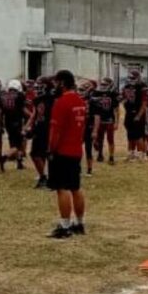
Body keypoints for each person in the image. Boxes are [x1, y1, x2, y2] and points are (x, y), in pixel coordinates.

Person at [47, 69, 88, 239]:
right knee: (75, 187)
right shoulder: (80, 101)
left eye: (56, 82)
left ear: (62, 83)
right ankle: (79, 223)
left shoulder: (61, 102)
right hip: (76, 149)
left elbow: (56, 130)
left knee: (61, 188)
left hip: (62, 150)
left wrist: (51, 149)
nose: (54, 86)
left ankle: (64, 226)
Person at [0, 80, 31, 180]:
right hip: (17, 122)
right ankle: (5, 156)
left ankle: (19, 163)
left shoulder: (3, 95)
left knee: (13, 143)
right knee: (18, 145)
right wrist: (32, 116)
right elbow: (23, 109)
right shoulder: (19, 96)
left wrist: (0, 125)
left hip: (7, 122)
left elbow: (0, 112)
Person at [27, 76, 55, 179]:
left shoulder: (53, 99)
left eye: (40, 85)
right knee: (35, 154)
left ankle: (48, 176)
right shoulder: (37, 99)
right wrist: (27, 127)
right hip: (39, 128)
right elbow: (34, 115)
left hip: (50, 128)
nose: (37, 87)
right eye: (37, 85)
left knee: (48, 153)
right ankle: (43, 175)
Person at [120, 70, 148, 162]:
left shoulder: (142, 87)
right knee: (130, 135)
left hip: (138, 113)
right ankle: (131, 153)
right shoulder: (126, 87)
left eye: (133, 78)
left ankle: (142, 155)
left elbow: (144, 103)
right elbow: (124, 99)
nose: (131, 80)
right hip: (129, 113)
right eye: (130, 78)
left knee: (139, 135)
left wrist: (139, 115)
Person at [90, 77, 120, 164]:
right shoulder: (96, 93)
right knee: (99, 139)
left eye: (105, 84)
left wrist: (117, 122)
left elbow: (116, 109)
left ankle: (111, 156)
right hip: (99, 119)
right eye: (102, 84)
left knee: (110, 139)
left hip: (109, 119)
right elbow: (94, 108)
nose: (103, 86)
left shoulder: (113, 94)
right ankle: (100, 153)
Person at [78, 80, 98, 176]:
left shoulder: (93, 101)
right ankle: (78, 168)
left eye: (83, 90)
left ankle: (89, 169)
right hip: (79, 127)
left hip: (89, 126)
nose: (81, 92)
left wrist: (95, 130)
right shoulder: (77, 100)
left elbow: (97, 116)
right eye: (80, 90)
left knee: (88, 149)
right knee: (77, 148)